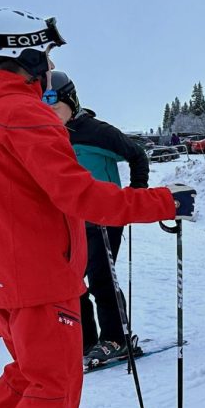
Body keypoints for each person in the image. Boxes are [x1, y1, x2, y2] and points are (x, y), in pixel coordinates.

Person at [0, 8, 197, 408]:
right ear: (31, 57)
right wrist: (163, 202)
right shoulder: (23, 113)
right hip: (40, 276)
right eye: (47, 54)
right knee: (54, 387)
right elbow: (81, 194)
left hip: (6, 272)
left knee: (25, 372)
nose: (50, 66)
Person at [45, 71, 150, 366]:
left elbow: (137, 154)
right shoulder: (46, 134)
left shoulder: (95, 131)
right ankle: (86, 339)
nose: (49, 111)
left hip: (104, 218)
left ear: (71, 100)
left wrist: (135, 196)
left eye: (55, 104)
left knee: (101, 278)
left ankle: (116, 338)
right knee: (70, 282)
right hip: (68, 221)